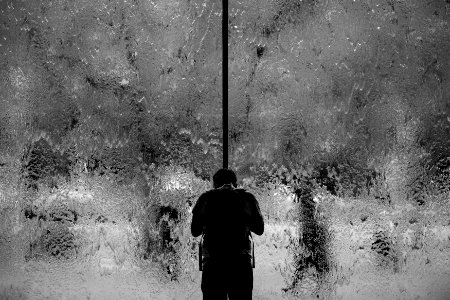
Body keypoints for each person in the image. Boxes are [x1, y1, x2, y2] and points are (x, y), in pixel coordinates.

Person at [191, 168, 264, 300]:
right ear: (235, 183)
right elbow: (259, 229)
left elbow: (195, 231)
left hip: (213, 264)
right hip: (240, 264)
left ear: (214, 184)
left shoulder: (206, 198)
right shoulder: (247, 198)